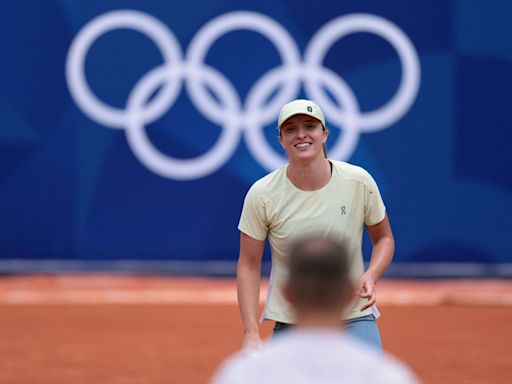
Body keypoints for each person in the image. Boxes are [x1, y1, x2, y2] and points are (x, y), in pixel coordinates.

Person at [236, 99, 395, 354]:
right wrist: (251, 332)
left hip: (354, 313)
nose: (301, 135)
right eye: (290, 129)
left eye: (309, 126)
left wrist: (371, 275)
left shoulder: (359, 182)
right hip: (292, 322)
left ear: (324, 134)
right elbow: (249, 264)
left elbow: (384, 238)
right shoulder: (262, 194)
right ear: (281, 140)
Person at [211, 235, 418, 384]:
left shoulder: (243, 374)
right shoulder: (390, 376)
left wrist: (250, 331)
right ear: (348, 294)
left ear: (286, 293)